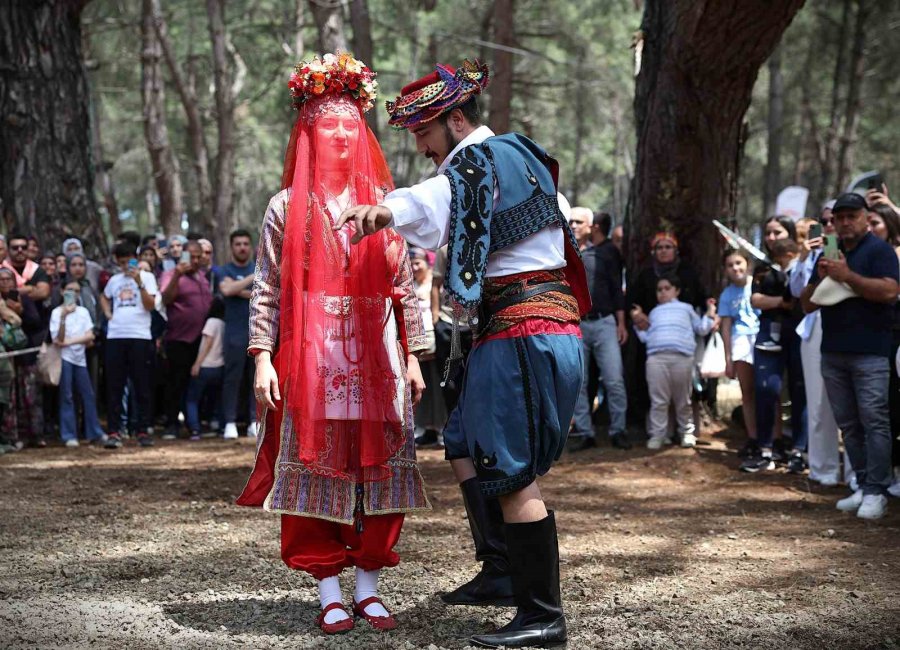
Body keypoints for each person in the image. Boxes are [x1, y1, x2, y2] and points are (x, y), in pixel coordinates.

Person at [337, 58, 590, 649]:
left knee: (510, 472)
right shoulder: (513, 158)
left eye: (423, 130)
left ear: (455, 119)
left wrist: (385, 210)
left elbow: (435, 198)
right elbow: (452, 202)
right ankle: (502, 570)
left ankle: (543, 616)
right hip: (525, 324)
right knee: (464, 444)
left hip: (526, 328)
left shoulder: (482, 157)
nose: (420, 145)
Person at [236, 53, 431, 636]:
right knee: (315, 467)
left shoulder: (387, 205)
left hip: (378, 353)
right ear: (309, 134)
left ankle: (369, 587)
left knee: (381, 467)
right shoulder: (284, 208)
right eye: (329, 125)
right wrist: (262, 357)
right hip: (311, 357)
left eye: (351, 124)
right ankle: (327, 588)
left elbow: (406, 284)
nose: (342, 134)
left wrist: (416, 355)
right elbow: (267, 287)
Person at [801, 193, 899, 519]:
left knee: (875, 423)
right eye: (839, 217)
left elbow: (889, 291)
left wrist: (848, 277)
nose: (844, 222)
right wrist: (820, 276)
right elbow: (807, 304)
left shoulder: (880, 251)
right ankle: (863, 484)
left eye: (851, 216)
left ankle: (877, 491)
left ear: (865, 217)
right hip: (833, 352)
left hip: (871, 351)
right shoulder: (830, 253)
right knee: (850, 426)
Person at [741, 235, 806, 472]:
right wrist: (781, 301)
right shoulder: (763, 270)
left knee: (800, 391)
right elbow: (756, 299)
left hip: (799, 333)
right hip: (769, 334)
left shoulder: (804, 265)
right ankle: (765, 448)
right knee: (766, 388)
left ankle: (799, 450)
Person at [632, 275, 716, 449]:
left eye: (667, 288)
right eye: (659, 289)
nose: (662, 292)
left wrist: (710, 312)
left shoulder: (687, 309)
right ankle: (658, 435)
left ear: (676, 290)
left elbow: (701, 329)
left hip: (682, 358)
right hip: (656, 358)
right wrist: (636, 324)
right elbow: (646, 337)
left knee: (683, 399)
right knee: (658, 400)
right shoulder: (654, 312)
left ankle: (687, 432)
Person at [571, 210, 630, 451]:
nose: (573, 225)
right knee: (579, 382)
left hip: (605, 322)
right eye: (570, 221)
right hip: (576, 324)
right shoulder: (565, 252)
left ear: (592, 226)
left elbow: (617, 288)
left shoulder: (607, 252)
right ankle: (585, 432)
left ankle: (619, 431)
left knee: (614, 379)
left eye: (578, 222)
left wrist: (621, 322)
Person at [100, 242, 159, 449]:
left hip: (140, 336)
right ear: (117, 262)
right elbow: (104, 297)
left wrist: (139, 282)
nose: (126, 266)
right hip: (116, 336)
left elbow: (151, 305)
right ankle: (115, 431)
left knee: (141, 385)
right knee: (115, 385)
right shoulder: (114, 280)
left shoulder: (148, 277)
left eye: (129, 261)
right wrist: (108, 314)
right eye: (122, 262)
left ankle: (142, 430)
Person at [159, 240, 212, 439]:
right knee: (175, 383)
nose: (196, 260)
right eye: (192, 256)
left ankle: (194, 424)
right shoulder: (170, 274)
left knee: (195, 384)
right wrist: (178, 275)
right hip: (178, 338)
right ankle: (171, 424)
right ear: (183, 255)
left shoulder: (203, 278)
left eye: (199, 256)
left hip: (201, 340)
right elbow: (166, 299)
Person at [865, 202, 900, 497]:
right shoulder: (864, 256)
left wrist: (891, 205)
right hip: (878, 341)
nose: (871, 229)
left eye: (876, 222)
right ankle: (883, 475)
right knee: (885, 410)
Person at [50, 280, 105, 447]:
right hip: (64, 359)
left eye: (76, 291)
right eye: (69, 290)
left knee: (88, 394)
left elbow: (90, 336)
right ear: (62, 292)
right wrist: (64, 317)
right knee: (66, 396)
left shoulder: (83, 312)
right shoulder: (56, 313)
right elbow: (57, 339)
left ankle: (94, 431)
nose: (73, 294)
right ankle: (69, 434)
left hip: (80, 359)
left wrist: (69, 342)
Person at [216, 229, 257, 440]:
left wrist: (236, 289)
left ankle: (254, 421)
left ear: (250, 246)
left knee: (256, 378)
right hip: (233, 333)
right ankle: (230, 422)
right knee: (232, 379)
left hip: (257, 332)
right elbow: (226, 291)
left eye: (245, 244)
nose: (242, 247)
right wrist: (251, 280)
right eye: (238, 244)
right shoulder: (224, 270)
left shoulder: (258, 269)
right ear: (232, 247)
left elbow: (235, 290)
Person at [718, 249, 759, 456]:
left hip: (762, 338)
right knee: (748, 391)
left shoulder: (758, 284)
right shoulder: (726, 295)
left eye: (739, 263)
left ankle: (772, 437)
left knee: (768, 390)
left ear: (747, 264)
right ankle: (753, 437)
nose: (735, 268)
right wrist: (728, 358)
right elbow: (725, 326)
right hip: (740, 342)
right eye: (730, 265)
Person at [0, 267, 44, 447]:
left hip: (25, 356)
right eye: (1, 280)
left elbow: (35, 322)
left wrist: (20, 311)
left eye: (8, 279)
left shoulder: (23, 298)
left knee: (30, 397)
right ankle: (10, 436)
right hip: (5, 358)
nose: (4, 283)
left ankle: (34, 435)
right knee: (8, 400)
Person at [409, 246, 447, 446]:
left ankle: (442, 428)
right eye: (412, 263)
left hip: (436, 341)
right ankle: (425, 428)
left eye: (418, 263)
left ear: (427, 262)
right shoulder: (411, 285)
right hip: (418, 348)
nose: (415, 267)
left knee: (439, 386)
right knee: (422, 388)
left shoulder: (432, 284)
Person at [185, 298, 225, 440]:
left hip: (206, 366)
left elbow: (208, 343)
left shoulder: (211, 322)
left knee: (192, 399)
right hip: (220, 367)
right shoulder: (224, 324)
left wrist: (197, 363)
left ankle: (195, 430)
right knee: (218, 398)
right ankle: (220, 427)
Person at [2, 234, 51, 302]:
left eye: (24, 247)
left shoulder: (37, 269)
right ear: (8, 250)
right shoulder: (2, 268)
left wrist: (12, 294)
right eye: (15, 248)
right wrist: (30, 289)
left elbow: (43, 293)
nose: (20, 250)